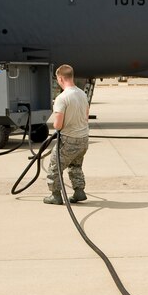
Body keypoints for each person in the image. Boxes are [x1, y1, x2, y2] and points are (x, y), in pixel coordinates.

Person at [44, 64, 90, 205]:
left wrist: (56, 124)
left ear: (60, 78)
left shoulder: (62, 98)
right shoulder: (82, 94)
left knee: (54, 166)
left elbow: (58, 125)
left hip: (69, 140)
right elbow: (86, 116)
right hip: (83, 139)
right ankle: (79, 191)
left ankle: (56, 195)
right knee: (75, 165)